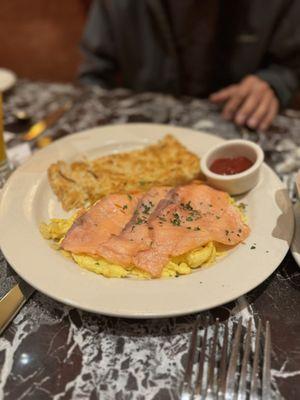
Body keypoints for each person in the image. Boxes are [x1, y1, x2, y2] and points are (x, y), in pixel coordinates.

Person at [79, 0, 300, 131]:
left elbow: (291, 64)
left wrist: (274, 83)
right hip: (143, 132)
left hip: (240, 127)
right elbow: (93, 74)